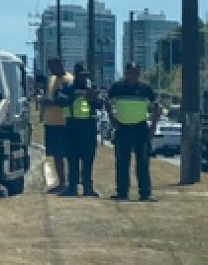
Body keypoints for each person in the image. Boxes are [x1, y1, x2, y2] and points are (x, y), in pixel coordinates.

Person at [107, 63, 158, 201]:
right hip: (122, 128)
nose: (133, 75)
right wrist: (112, 119)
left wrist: (153, 127)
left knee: (143, 162)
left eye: (136, 72)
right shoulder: (117, 88)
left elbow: (156, 107)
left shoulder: (145, 89)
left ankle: (145, 193)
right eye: (130, 72)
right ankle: (122, 192)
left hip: (140, 128)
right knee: (122, 162)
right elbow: (107, 102)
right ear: (126, 72)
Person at [58, 63, 99, 196]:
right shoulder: (67, 87)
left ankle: (88, 187)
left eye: (85, 75)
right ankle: (72, 187)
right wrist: (73, 96)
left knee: (88, 158)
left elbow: (100, 105)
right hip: (72, 125)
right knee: (72, 157)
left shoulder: (91, 87)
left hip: (88, 125)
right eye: (81, 75)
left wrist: (92, 98)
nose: (83, 78)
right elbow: (59, 100)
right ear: (75, 75)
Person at [41, 58, 72, 194]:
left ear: (60, 64)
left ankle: (72, 181)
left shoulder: (69, 80)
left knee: (68, 154)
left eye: (53, 66)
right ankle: (62, 182)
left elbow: (66, 101)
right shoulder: (51, 79)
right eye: (49, 67)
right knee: (56, 155)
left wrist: (50, 102)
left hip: (63, 122)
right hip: (51, 122)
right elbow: (48, 97)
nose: (51, 69)